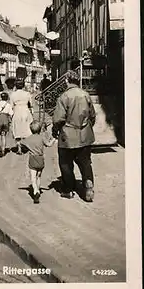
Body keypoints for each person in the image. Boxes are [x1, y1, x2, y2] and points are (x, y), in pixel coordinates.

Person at [52, 69, 96, 202]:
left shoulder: (64, 97)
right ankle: (88, 185)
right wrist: (86, 128)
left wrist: (55, 130)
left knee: (65, 163)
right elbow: (92, 116)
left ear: (66, 81)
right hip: (85, 136)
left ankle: (68, 189)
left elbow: (58, 119)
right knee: (85, 162)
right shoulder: (86, 95)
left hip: (68, 137)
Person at [21, 120, 55, 204]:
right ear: (40, 129)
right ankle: (39, 189)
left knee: (33, 177)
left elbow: (21, 143)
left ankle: (35, 191)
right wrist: (53, 139)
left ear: (31, 130)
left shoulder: (28, 139)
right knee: (38, 176)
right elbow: (49, 144)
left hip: (33, 158)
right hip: (40, 159)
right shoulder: (42, 137)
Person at [10, 78, 33, 155]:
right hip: (26, 112)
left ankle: (19, 148)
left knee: (17, 130)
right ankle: (27, 146)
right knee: (27, 129)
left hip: (17, 112)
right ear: (23, 86)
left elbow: (11, 106)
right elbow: (31, 104)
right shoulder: (27, 94)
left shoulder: (13, 94)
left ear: (16, 86)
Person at [0, 91, 14, 157]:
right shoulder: (8, 105)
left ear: (1, 98)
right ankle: (3, 150)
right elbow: (11, 113)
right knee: (4, 135)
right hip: (5, 119)